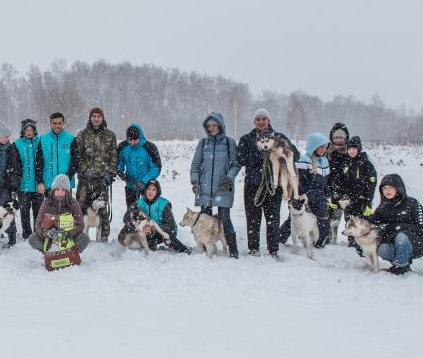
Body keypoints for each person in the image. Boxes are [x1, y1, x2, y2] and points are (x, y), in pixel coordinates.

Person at [236, 108, 298, 259]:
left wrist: (282, 151)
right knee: (253, 219)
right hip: (253, 185)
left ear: (268, 121)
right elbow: (240, 159)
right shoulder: (247, 139)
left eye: (264, 119)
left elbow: (295, 154)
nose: (261, 121)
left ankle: (273, 249)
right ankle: (253, 248)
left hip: (273, 185)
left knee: (273, 218)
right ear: (254, 122)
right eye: (258, 119)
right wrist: (262, 153)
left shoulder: (279, 137)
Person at [189, 112, 241, 258]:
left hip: (223, 188)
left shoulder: (229, 142)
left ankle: (233, 249)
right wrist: (195, 180)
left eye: (214, 125)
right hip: (204, 188)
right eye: (209, 126)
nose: (211, 128)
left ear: (220, 125)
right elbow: (195, 164)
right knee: (205, 220)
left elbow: (235, 164)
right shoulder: (203, 143)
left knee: (224, 218)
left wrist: (228, 178)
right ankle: (207, 247)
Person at [366, 174, 423, 275]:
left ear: (398, 188)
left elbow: (422, 227)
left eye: (391, 187)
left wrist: (398, 227)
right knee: (382, 249)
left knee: (402, 236)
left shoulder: (412, 203)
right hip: (394, 243)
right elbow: (371, 224)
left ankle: (400, 266)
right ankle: (403, 265)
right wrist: (359, 229)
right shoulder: (383, 208)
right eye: (384, 188)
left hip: (419, 242)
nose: (387, 191)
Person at [71, 107, 118, 242]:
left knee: (102, 210)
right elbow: (77, 156)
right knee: (80, 210)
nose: (96, 118)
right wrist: (85, 170)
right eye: (94, 116)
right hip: (85, 181)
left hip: (102, 180)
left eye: (99, 116)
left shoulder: (110, 135)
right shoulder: (82, 135)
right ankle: (79, 238)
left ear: (102, 118)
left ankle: (103, 240)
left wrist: (110, 175)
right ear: (90, 118)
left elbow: (114, 157)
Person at [279, 132, 331, 248]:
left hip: (320, 197)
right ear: (313, 146)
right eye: (320, 147)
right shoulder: (304, 160)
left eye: (325, 147)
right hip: (305, 197)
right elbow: (298, 180)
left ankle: (319, 245)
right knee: (295, 219)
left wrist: (328, 194)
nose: (323, 149)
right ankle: (279, 238)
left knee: (323, 222)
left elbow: (326, 181)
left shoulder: (325, 161)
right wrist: (302, 194)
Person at [119, 179, 190, 254]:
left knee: (167, 239)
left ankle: (185, 250)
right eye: (148, 189)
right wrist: (141, 227)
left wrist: (153, 229)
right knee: (125, 231)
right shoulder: (139, 203)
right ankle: (142, 244)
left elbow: (171, 225)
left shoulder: (163, 204)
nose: (150, 192)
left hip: (161, 231)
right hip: (145, 230)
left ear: (157, 192)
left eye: (154, 189)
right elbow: (126, 218)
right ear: (145, 190)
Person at [28, 174, 90, 253]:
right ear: (53, 190)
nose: (60, 192)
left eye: (63, 190)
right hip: (50, 238)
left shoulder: (74, 203)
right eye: (57, 189)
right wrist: (46, 233)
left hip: (68, 238)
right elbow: (37, 224)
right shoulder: (46, 203)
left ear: (67, 191)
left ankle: (70, 253)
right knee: (32, 239)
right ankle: (49, 252)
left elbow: (80, 225)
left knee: (84, 239)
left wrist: (68, 233)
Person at [331, 136, 376, 242]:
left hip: (362, 200)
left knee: (361, 223)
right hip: (348, 200)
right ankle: (351, 242)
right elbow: (339, 181)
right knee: (350, 222)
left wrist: (368, 201)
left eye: (354, 149)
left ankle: (362, 243)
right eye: (350, 149)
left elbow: (371, 183)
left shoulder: (366, 164)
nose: (351, 151)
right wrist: (337, 195)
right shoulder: (345, 163)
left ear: (359, 149)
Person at [117, 123, 161, 208]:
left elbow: (156, 168)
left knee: (149, 212)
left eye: (135, 139)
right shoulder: (123, 146)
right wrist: (120, 171)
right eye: (130, 140)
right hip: (130, 185)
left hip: (147, 187)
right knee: (131, 213)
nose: (132, 142)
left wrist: (143, 181)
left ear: (139, 137)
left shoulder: (150, 148)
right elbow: (120, 161)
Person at [12, 119, 42, 239]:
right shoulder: (17, 144)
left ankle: (37, 233)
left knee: (38, 211)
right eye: (27, 130)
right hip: (24, 185)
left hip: (38, 184)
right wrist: (15, 181)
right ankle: (27, 234)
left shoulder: (40, 141)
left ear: (34, 131)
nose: (29, 132)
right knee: (24, 211)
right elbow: (15, 164)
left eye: (31, 130)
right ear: (23, 131)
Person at [35, 112, 76, 193]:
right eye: (54, 123)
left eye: (59, 123)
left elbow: (75, 160)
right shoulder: (43, 139)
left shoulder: (71, 139)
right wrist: (40, 181)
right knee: (49, 206)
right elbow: (38, 162)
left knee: (66, 206)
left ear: (63, 123)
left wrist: (68, 176)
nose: (57, 126)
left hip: (66, 184)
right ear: (50, 123)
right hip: (49, 184)